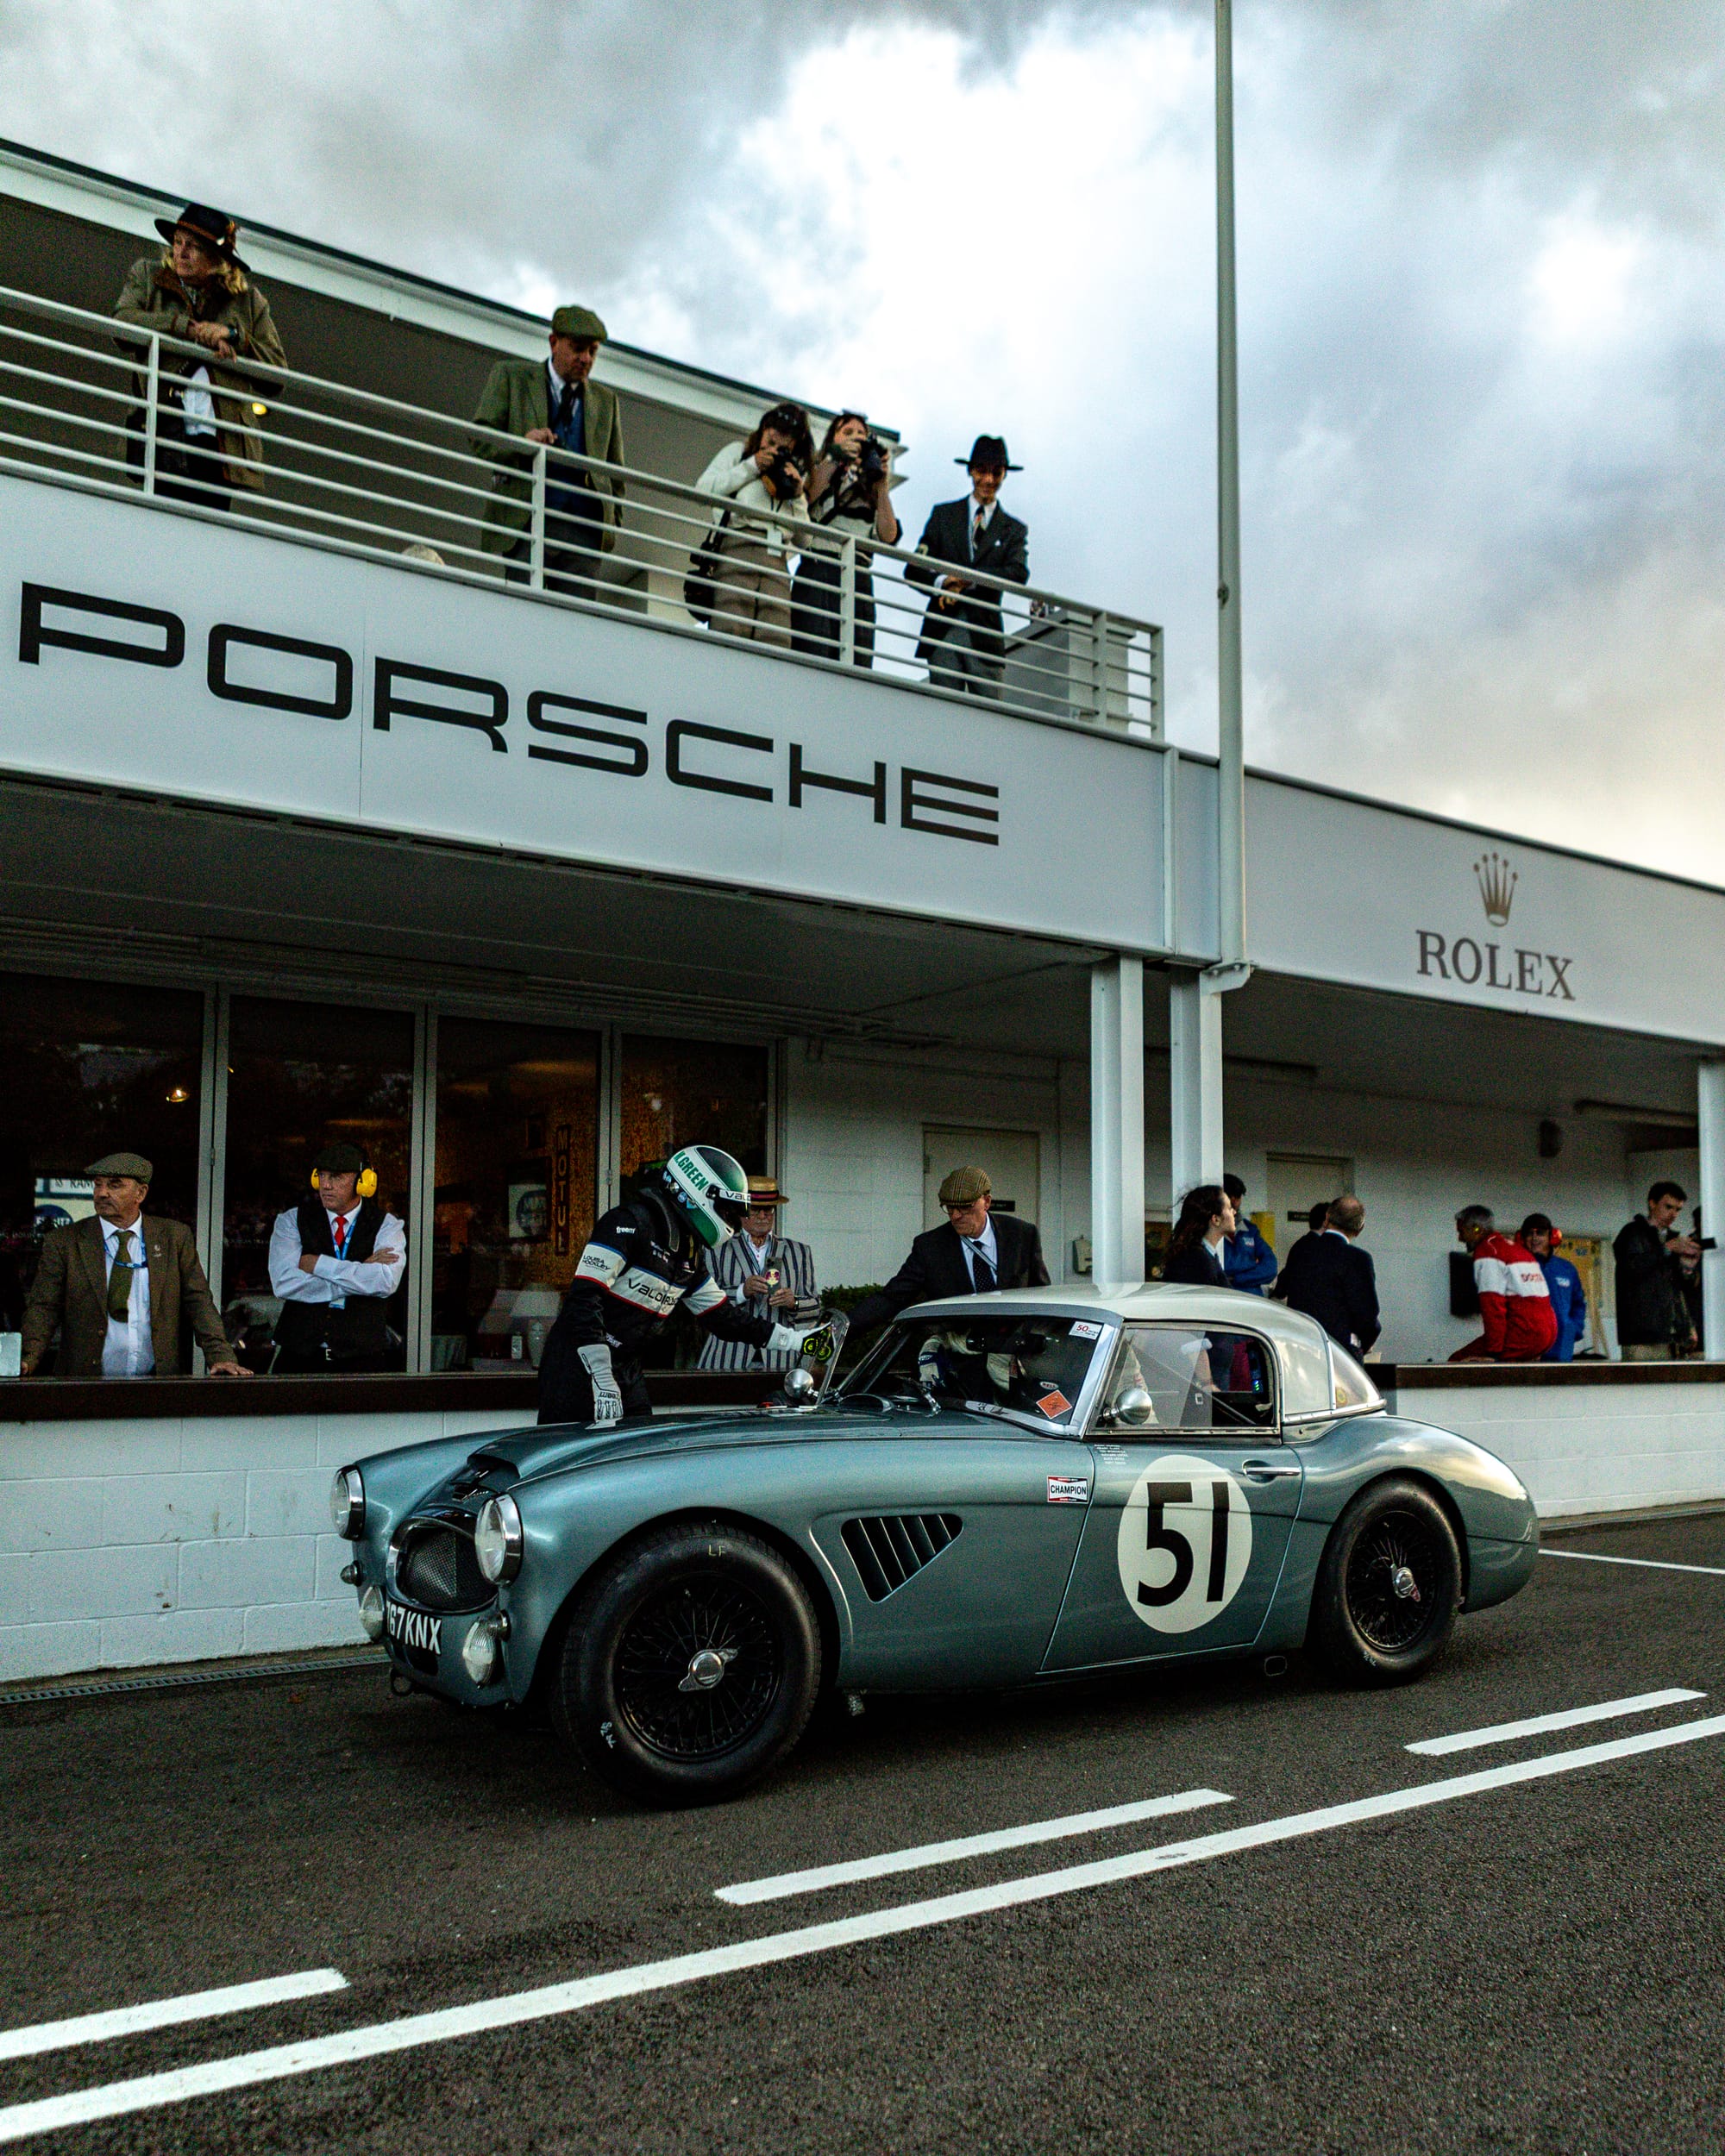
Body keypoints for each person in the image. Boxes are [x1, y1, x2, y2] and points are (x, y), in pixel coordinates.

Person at [536, 1146, 829, 1426]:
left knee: (639, 1448)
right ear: (696, 1193)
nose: (730, 1219)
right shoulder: (627, 1223)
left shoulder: (688, 1252)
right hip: (576, 1362)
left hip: (626, 1366)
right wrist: (600, 1372)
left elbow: (724, 1318)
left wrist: (796, 1340)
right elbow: (583, 1297)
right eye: (724, 1208)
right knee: (566, 1450)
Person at [113, 203, 288, 514]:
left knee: (208, 529)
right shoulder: (148, 275)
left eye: (193, 246)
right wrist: (185, 328)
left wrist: (234, 336)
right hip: (163, 427)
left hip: (220, 442)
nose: (181, 252)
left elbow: (277, 375)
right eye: (178, 242)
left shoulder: (249, 302)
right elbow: (122, 325)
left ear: (216, 259)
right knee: (161, 521)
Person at [19, 1152, 247, 1378]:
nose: (102, 1193)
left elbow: (198, 1301)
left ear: (141, 1193)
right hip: (85, 1382)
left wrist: (220, 1355)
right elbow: (44, 1307)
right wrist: (26, 1358)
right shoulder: (66, 1241)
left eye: (114, 1185)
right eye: (98, 1184)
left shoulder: (173, 1237)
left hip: (157, 1381)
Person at [473, 304, 626, 602]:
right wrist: (522, 443)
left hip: (584, 534)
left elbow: (615, 472)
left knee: (577, 622)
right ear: (554, 342)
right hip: (527, 521)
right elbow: (481, 437)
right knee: (524, 613)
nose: (586, 358)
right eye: (578, 348)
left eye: (593, 351)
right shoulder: (512, 376)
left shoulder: (607, 401)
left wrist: (610, 522)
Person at [847, 1167, 1050, 1335]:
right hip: (957, 1357)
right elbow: (891, 1298)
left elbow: (1041, 1295)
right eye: (949, 1208)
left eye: (965, 1208)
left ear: (986, 1202)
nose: (955, 1216)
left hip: (1012, 1353)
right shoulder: (930, 1247)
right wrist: (839, 1333)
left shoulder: (1022, 1235)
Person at [905, 435, 1030, 700]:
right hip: (943, 630)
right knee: (944, 713)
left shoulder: (1013, 529)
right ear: (971, 471)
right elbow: (914, 568)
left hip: (985, 638)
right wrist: (943, 582)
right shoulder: (943, 516)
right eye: (982, 471)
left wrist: (967, 580)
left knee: (989, 717)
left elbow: (1018, 573)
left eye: (996, 473)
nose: (988, 480)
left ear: (1004, 475)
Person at [267, 1143, 406, 1373]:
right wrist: (361, 1273)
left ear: (363, 1181)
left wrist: (318, 1264)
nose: (326, 1185)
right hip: (298, 1359)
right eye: (321, 1175)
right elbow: (284, 1283)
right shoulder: (291, 1220)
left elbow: (385, 1282)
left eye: (337, 1177)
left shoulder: (388, 1225)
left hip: (362, 1361)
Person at [694, 403, 814, 648]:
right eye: (770, 441)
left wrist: (798, 495)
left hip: (777, 562)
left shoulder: (792, 473)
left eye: (783, 446)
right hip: (737, 547)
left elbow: (804, 541)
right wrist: (751, 466)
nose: (774, 450)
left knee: (775, 640)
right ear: (762, 431)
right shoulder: (738, 453)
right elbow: (702, 490)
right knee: (730, 630)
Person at [789, 412, 900, 667]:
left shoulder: (871, 482)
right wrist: (834, 459)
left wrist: (882, 485)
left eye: (861, 434)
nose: (855, 439)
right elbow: (805, 498)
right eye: (847, 433)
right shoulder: (819, 469)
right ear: (833, 439)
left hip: (858, 574)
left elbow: (888, 535)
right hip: (819, 566)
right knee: (813, 654)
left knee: (857, 660)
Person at [697, 1175, 820, 1372]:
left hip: (780, 1358)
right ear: (741, 1211)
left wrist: (793, 1302)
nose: (763, 1216)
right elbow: (703, 1303)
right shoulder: (716, 1249)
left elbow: (815, 1307)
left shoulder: (799, 1251)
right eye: (755, 1209)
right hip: (728, 1355)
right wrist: (741, 1292)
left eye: (768, 1209)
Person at [1450, 1204, 1557, 1363]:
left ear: (1476, 1229)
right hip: (1548, 1334)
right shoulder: (1515, 1249)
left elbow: (1492, 1306)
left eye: (1462, 1231)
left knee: (1456, 1362)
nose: (1460, 1238)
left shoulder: (1488, 1252)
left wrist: (1492, 1353)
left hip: (1525, 1333)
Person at [1281, 1196, 1381, 1355]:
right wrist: (1363, 1344)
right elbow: (1367, 1315)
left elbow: (1282, 1288)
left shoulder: (1301, 1251)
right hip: (1339, 1349)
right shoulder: (1358, 1259)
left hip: (1300, 1346)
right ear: (1360, 1229)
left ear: (1327, 1218)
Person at [1613, 1181, 1699, 1361]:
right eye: (1668, 1207)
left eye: (1678, 1209)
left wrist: (1688, 1267)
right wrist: (1666, 1249)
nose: (1673, 1214)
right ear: (1652, 1203)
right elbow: (1631, 1268)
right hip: (1642, 1333)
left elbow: (1681, 1288)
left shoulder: (1674, 1238)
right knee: (1641, 1377)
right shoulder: (1632, 1233)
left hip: (1673, 1333)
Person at [1520, 1213, 1588, 1363]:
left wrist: (1573, 1328)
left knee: (1561, 1378)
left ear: (1551, 1236)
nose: (1534, 1238)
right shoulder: (1517, 1266)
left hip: (1563, 1345)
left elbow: (1578, 1304)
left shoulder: (1567, 1269)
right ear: (1522, 1238)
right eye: (1530, 1233)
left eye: (1540, 1233)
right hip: (1529, 1346)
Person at [1160, 1185, 1233, 1286]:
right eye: (1229, 1208)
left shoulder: (1203, 1255)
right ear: (1216, 1219)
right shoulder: (1197, 1260)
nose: (1234, 1212)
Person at [1220, 1173, 1277, 1295]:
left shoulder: (1250, 1230)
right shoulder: (1211, 1229)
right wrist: (1252, 1265)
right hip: (1225, 1297)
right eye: (1230, 1195)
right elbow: (1220, 1269)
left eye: (1238, 1196)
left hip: (1252, 1298)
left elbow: (1271, 1268)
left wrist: (1236, 1278)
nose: (1234, 1201)